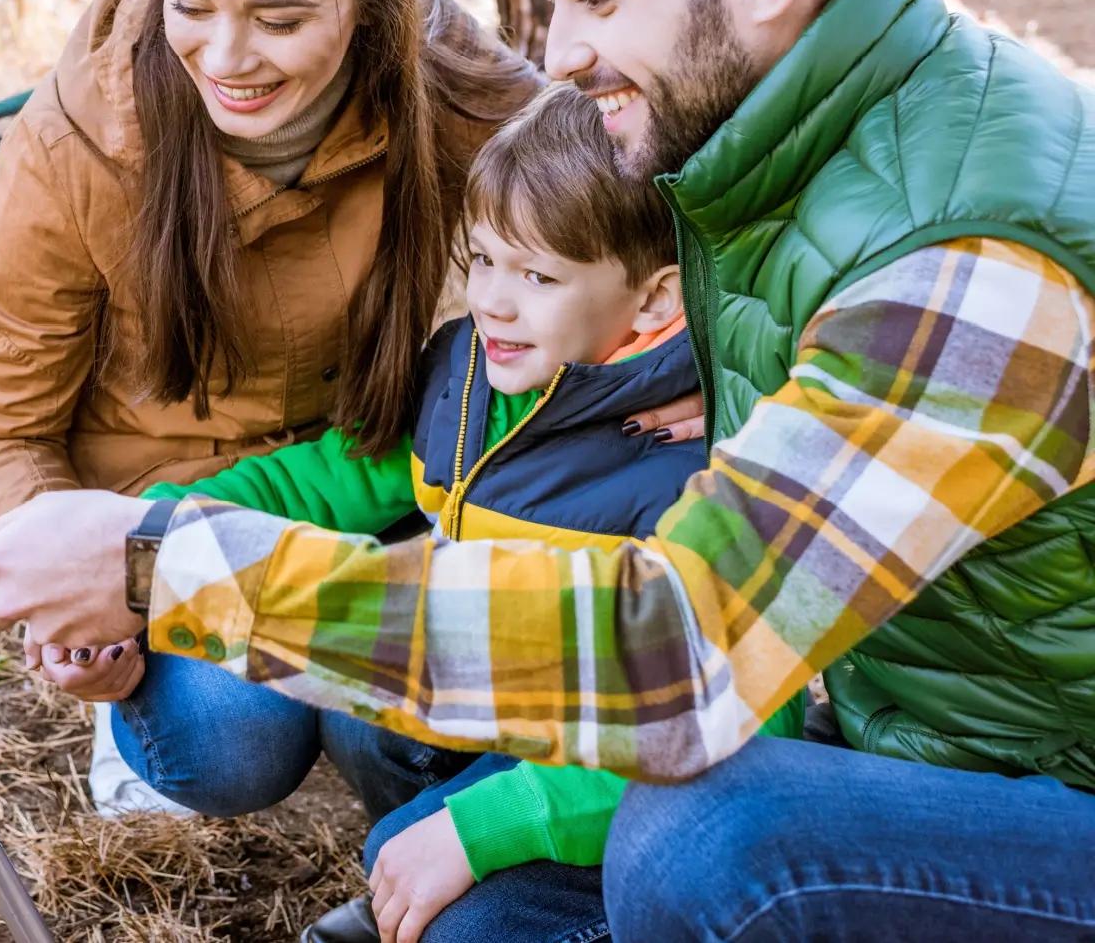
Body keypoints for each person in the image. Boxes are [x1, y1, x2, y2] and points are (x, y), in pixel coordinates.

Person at [0, 0, 1095, 941]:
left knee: (702, 840)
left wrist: (157, 561)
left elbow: (675, 657)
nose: (560, 55)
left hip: (1028, 777)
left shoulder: (970, 263)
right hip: (864, 711)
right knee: (448, 870)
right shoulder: (770, 125)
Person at [52, 85, 801, 943]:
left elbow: (730, 742)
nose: (492, 299)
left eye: (538, 274)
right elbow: (327, 482)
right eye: (481, 258)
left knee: (461, 914)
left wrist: (493, 824)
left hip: (617, 772)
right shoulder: (471, 372)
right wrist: (138, 530)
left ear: (657, 298)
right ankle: (430, 852)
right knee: (356, 709)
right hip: (503, 705)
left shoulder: (692, 460)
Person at [0, 0, 553, 811]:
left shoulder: (436, 70)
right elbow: (0, 435)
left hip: (356, 480)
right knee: (233, 741)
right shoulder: (73, 143)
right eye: (190, 6)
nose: (224, 58)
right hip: (159, 522)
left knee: (393, 718)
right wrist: (88, 580)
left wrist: (675, 352)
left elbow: (608, 190)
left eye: (279, 18)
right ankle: (164, 708)